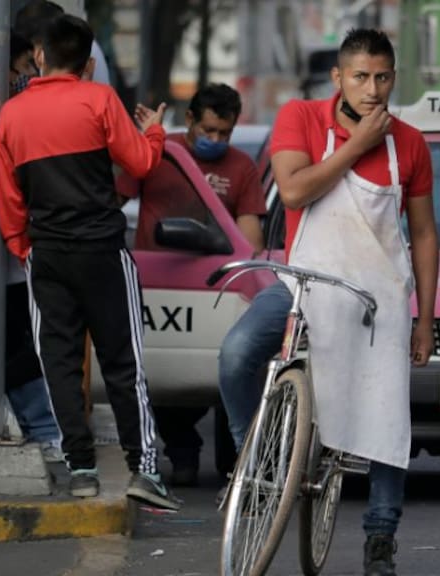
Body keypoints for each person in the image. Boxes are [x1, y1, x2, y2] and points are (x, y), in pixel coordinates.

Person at [217, 28, 439, 576]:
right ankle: (263, 465)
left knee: (388, 417)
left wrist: (425, 319)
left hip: (377, 298)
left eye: (382, 77)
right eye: (360, 77)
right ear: (338, 78)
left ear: (394, 78)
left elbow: (426, 235)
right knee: (239, 353)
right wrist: (358, 144)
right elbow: (293, 191)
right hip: (306, 283)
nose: (372, 89)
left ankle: (381, 538)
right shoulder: (300, 117)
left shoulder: (410, 143)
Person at [0, 14, 179, 510]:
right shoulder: (98, 99)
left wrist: (22, 246)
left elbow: (8, 194)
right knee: (124, 362)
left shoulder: (12, 113)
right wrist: (156, 133)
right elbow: (140, 163)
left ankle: (80, 467)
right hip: (101, 250)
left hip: (46, 253)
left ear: (40, 56)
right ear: (89, 62)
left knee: (57, 361)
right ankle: (143, 469)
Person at [117, 83, 266, 486]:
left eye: (225, 133)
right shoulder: (160, 151)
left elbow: (250, 240)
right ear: (189, 121)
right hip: (157, 283)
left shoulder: (241, 168)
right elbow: (113, 197)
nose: (216, 140)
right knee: (160, 378)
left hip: (218, 289)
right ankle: (181, 453)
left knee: (232, 374)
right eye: (209, 131)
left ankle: (234, 459)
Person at [2, 29, 63, 463]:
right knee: (19, 346)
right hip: (8, 254)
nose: (26, 77)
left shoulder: (8, 113)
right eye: (23, 68)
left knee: (20, 342)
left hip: (10, 257)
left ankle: (45, 431)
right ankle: (45, 432)